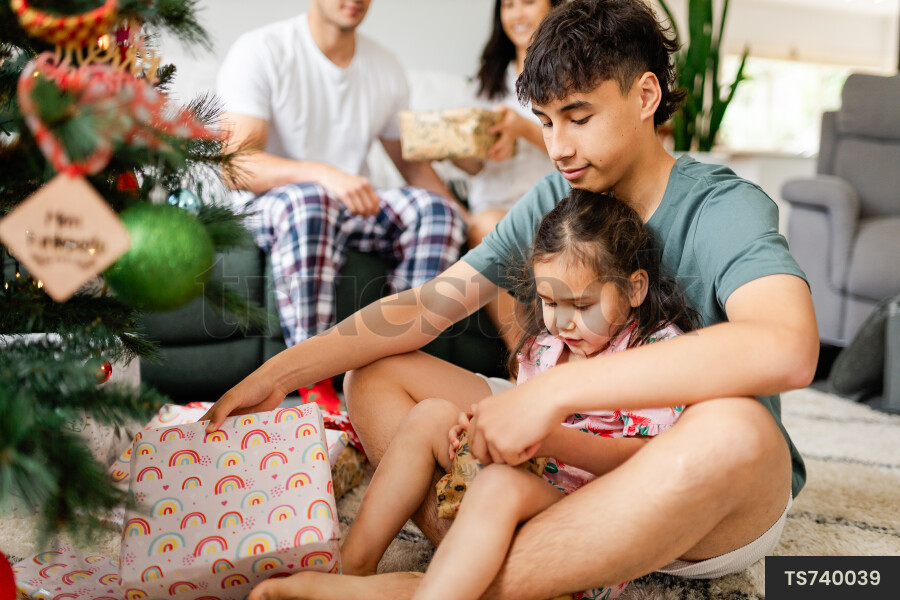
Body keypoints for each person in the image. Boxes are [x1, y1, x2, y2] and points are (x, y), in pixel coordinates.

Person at [204, 1, 819, 598]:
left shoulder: (722, 206)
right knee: (376, 376)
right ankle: (501, 568)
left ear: (645, 97)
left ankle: (436, 587)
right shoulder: (561, 194)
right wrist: (279, 373)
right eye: (546, 121)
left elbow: (788, 348)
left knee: (740, 430)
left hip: (683, 487)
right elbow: (428, 305)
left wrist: (553, 394)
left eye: (579, 118)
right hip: (557, 468)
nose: (557, 148)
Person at [339, 190, 698, 600]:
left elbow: (649, 461)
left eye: (582, 305)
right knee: (431, 415)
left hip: (588, 524)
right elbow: (517, 421)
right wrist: (478, 432)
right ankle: (356, 567)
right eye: (549, 302)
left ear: (634, 289)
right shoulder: (545, 347)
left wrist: (549, 439)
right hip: (522, 488)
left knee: (500, 487)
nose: (562, 322)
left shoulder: (654, 352)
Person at [215, 0, 466, 405]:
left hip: (349, 205)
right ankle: (315, 383)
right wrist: (325, 174)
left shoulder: (384, 65)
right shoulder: (261, 49)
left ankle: (398, 359)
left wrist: (465, 218)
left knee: (437, 213)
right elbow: (237, 166)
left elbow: (413, 168)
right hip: (277, 203)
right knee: (313, 202)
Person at [454, 0, 561, 350]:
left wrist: (523, 128)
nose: (517, 14)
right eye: (508, 5)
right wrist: (456, 151)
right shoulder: (488, 80)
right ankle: (525, 353)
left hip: (549, 204)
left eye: (528, 3)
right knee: (484, 227)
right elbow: (476, 166)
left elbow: (580, 146)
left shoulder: (570, 73)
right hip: (494, 203)